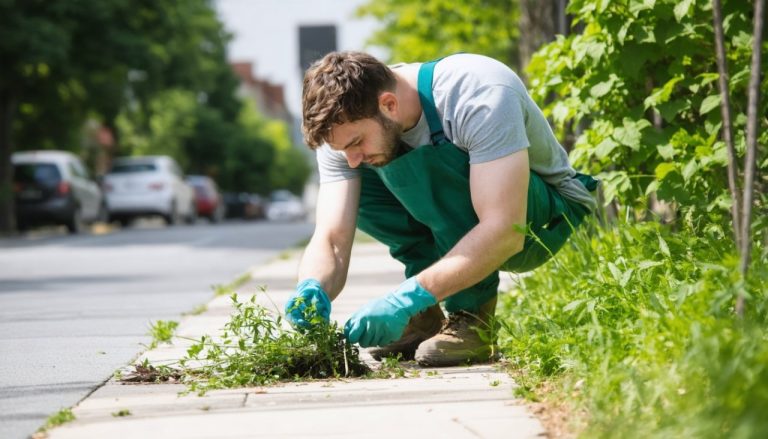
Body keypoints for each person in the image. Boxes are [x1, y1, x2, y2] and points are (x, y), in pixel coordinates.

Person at [285, 51, 598, 367]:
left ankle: (472, 315)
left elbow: (505, 230)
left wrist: (405, 298)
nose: (351, 156)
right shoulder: (346, 130)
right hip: (483, 217)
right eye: (343, 149)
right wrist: (311, 288)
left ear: (389, 105)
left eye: (356, 143)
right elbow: (331, 237)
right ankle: (426, 318)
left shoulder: (475, 92)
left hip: (543, 216)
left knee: (442, 173)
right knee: (359, 182)